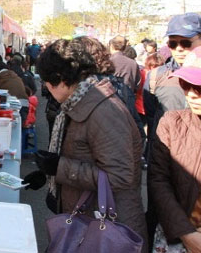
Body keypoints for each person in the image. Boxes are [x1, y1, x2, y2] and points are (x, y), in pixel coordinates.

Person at [38, 39, 148, 252]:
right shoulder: (79, 101)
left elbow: (119, 175)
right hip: (87, 218)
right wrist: (47, 171)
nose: (46, 88)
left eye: (47, 82)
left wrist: (60, 167)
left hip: (106, 229)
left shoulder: (104, 110)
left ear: (60, 79)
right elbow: (83, 154)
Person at [144, 13, 201, 249]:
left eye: (186, 42)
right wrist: (184, 231)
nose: (191, 94)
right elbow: (159, 180)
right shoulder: (158, 76)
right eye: (172, 43)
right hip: (175, 225)